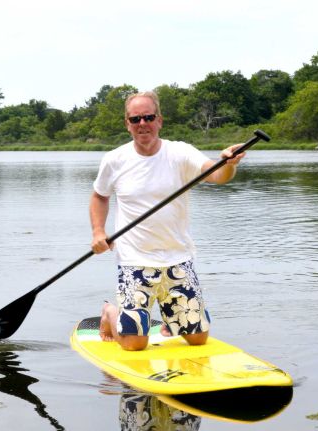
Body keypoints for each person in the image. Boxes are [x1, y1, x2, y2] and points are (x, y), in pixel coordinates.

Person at [90, 91, 245, 351]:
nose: (142, 124)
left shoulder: (180, 152)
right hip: (134, 260)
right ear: (127, 124)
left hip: (177, 257)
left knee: (198, 339)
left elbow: (217, 175)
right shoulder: (115, 159)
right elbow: (99, 196)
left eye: (148, 117)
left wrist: (228, 163)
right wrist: (98, 232)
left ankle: (169, 319)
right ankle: (110, 313)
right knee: (134, 344)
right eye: (135, 119)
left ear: (159, 120)